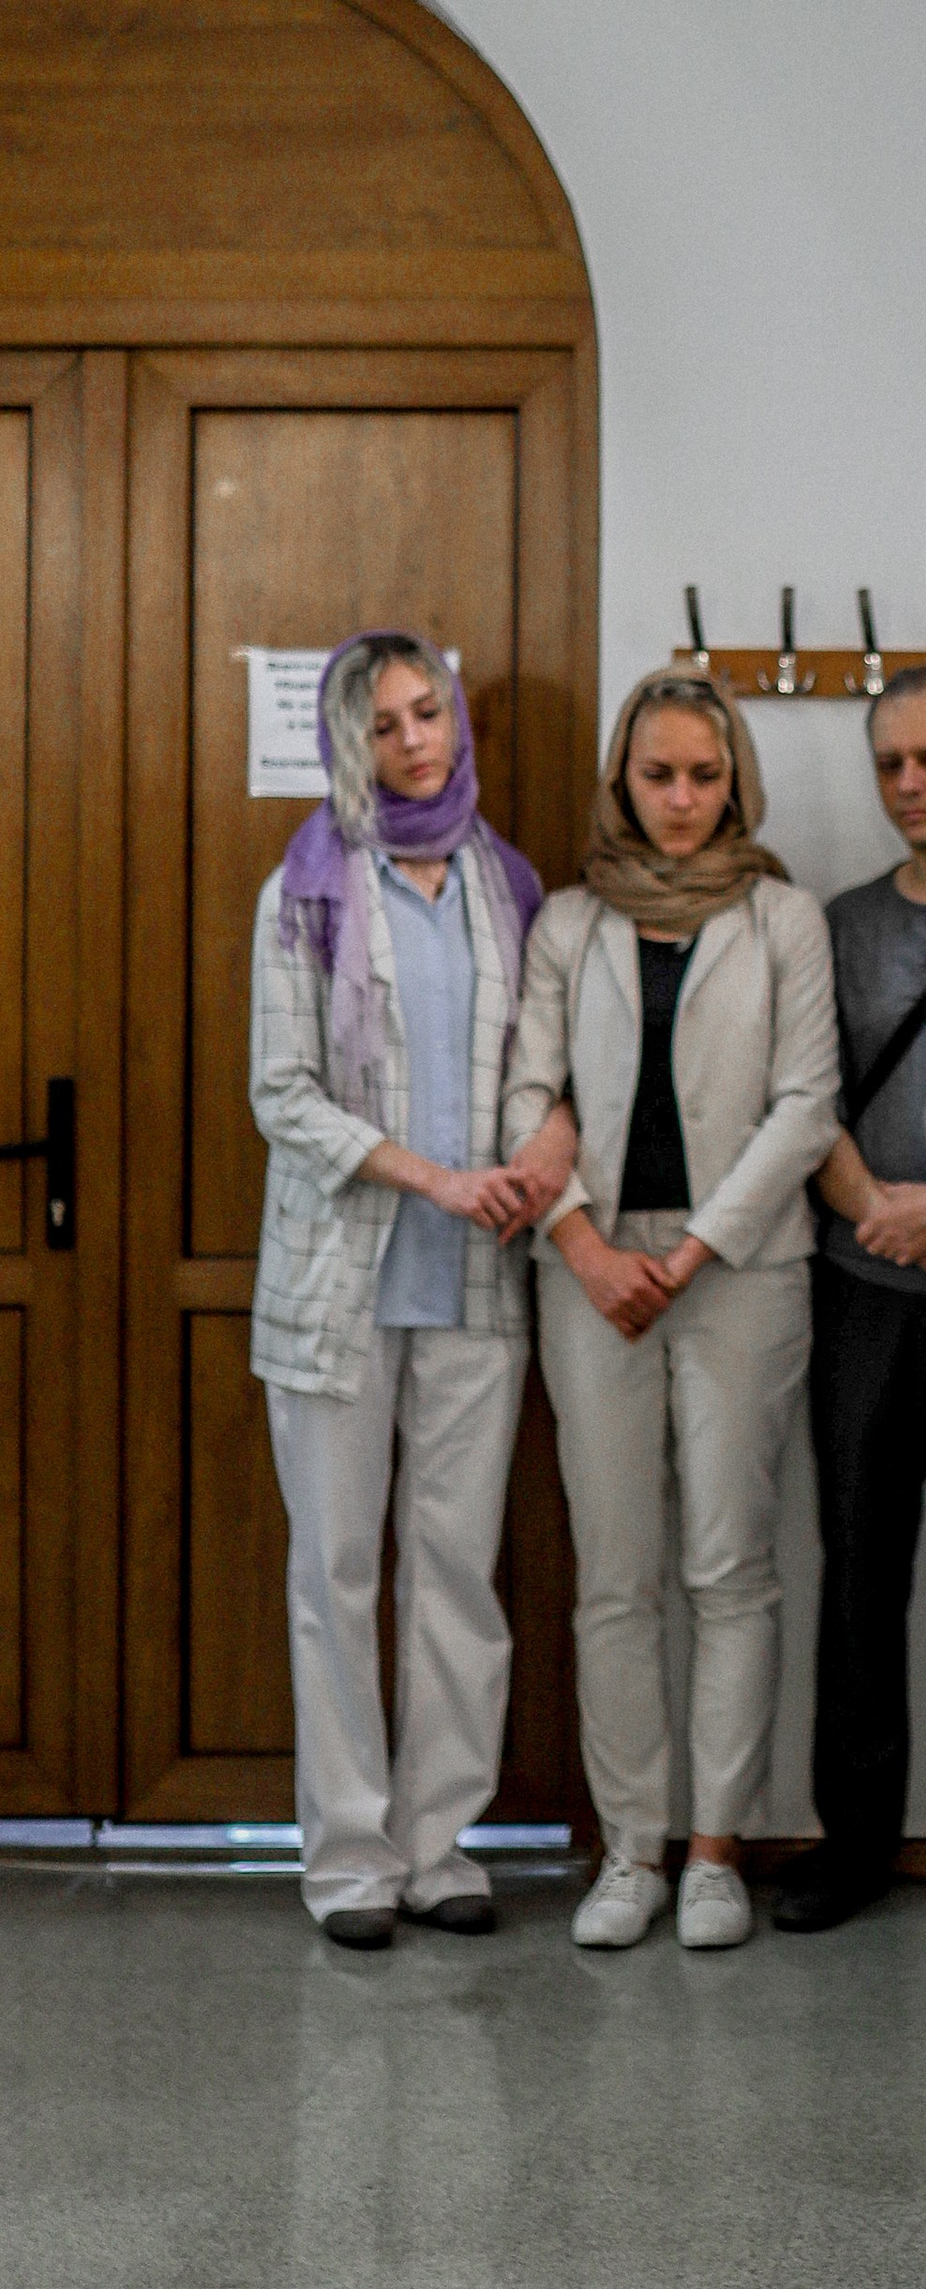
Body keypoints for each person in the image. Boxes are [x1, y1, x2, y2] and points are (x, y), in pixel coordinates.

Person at [503, 672, 838, 1954]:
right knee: (616, 1577)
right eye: (659, 776)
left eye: (705, 776)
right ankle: (632, 1847)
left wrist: (693, 1252)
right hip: (591, 1270)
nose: (683, 799)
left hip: (739, 1271)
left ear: (736, 780)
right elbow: (527, 1094)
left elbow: (805, 1106)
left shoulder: (782, 917)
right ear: (622, 781)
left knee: (731, 1568)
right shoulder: (569, 922)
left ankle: (714, 1852)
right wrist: (584, 1245)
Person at [249, 630, 551, 1948]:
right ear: (349, 744)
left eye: (428, 712)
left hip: (478, 1286)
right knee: (334, 1578)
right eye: (383, 725)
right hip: (338, 1290)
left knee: (455, 1579)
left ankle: (438, 1849)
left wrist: (534, 1154)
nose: (416, 741)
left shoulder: (509, 884)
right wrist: (433, 1178)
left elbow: (546, 1067)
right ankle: (350, 1864)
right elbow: (281, 1094)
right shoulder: (306, 890)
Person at [776, 666, 926, 1938]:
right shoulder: (840, 923)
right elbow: (803, 1091)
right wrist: (884, 1214)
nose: (909, 784)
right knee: (860, 1562)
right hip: (864, 1278)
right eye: (889, 765)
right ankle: (852, 1839)